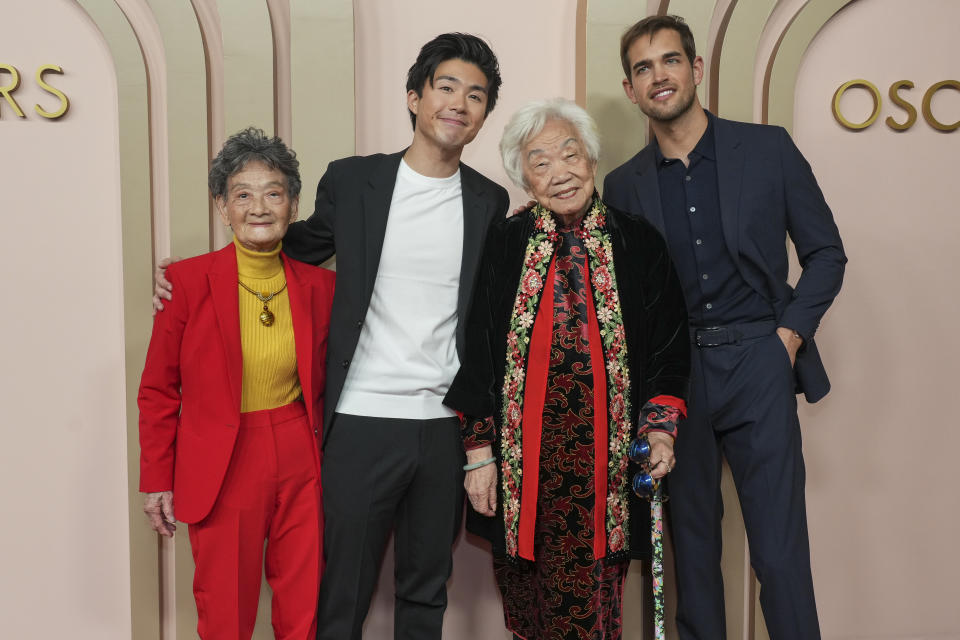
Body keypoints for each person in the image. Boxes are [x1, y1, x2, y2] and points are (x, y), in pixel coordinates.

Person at [153, 33, 508, 639]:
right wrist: (195, 279)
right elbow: (287, 242)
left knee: (426, 589)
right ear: (415, 97)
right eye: (446, 87)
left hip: (443, 423)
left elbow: (494, 314)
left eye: (475, 95)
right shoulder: (353, 182)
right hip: (360, 419)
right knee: (338, 589)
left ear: (483, 115)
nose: (459, 103)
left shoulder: (489, 200)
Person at [603, 15, 847, 640]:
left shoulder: (767, 150)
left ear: (696, 69)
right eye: (643, 67)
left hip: (759, 359)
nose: (659, 75)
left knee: (779, 551)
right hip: (678, 377)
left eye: (670, 60)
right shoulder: (623, 185)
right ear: (631, 89)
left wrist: (785, 340)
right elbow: (628, 297)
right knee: (692, 550)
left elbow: (826, 254)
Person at [444, 98, 690, 640]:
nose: (560, 173)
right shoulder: (506, 244)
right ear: (525, 180)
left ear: (592, 161)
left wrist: (659, 427)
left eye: (570, 154)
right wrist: (478, 453)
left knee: (590, 613)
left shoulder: (639, 241)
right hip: (521, 468)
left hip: (607, 465)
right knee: (529, 612)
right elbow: (479, 348)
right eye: (541, 162)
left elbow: (669, 348)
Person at [139, 127, 335, 639]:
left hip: (300, 450)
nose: (259, 207)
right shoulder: (183, 283)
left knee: (304, 603)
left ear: (293, 204)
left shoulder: (323, 286)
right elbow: (158, 389)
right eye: (242, 195)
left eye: (273, 192)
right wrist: (157, 477)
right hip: (222, 456)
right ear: (222, 208)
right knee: (225, 609)